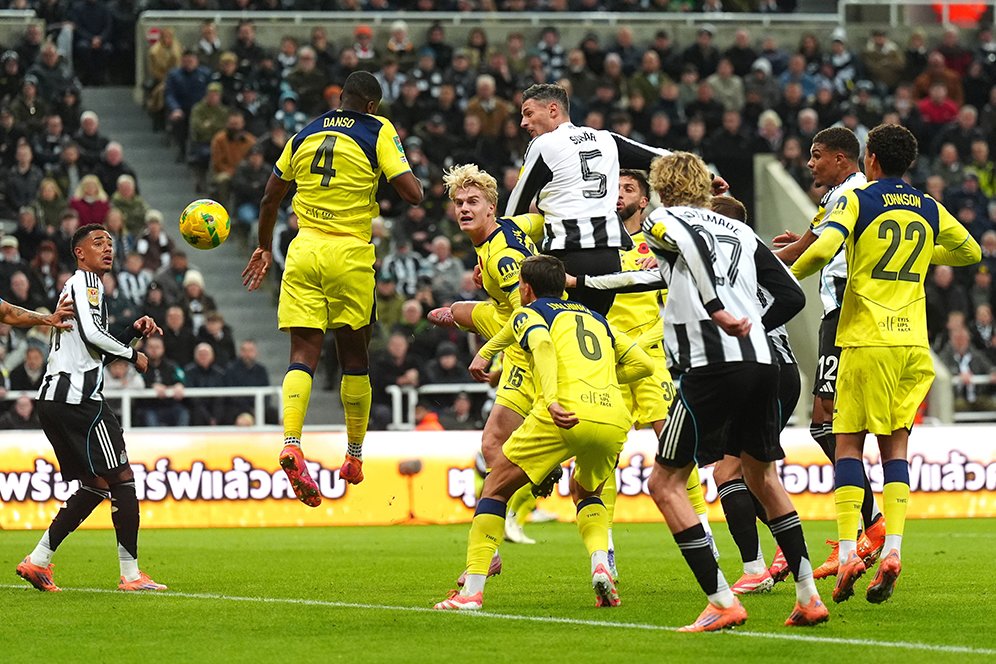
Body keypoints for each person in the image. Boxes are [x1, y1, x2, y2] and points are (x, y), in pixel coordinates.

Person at [792, 124, 982, 604]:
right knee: (896, 449)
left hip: (866, 340)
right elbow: (970, 251)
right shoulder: (927, 205)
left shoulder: (860, 200)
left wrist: (779, 275)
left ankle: (852, 552)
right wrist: (920, 258)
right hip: (915, 348)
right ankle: (893, 548)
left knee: (848, 444)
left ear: (870, 159)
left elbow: (818, 252)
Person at [641, 152, 826, 631]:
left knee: (664, 483)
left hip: (711, 365)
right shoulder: (741, 230)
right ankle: (808, 596)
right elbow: (791, 296)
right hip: (764, 363)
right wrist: (750, 327)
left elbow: (692, 250)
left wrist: (719, 311)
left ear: (661, 186)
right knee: (763, 478)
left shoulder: (663, 219)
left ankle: (722, 600)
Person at [241, 71, 423, 507]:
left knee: (302, 355)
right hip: (349, 254)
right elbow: (413, 194)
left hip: (303, 251)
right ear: (373, 105)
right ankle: (354, 456)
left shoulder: (304, 132)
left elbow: (269, 200)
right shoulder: (377, 130)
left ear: (340, 98)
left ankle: (290, 442)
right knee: (354, 356)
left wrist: (265, 248)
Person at [433, 254, 654, 611]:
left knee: (496, 486)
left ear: (526, 287)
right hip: (613, 415)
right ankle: (601, 563)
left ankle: (472, 590)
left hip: (563, 410)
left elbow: (542, 346)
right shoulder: (597, 319)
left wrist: (551, 399)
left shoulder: (531, 313)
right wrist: (607, 381)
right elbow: (643, 364)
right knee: (586, 490)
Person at [564, 169, 717, 580]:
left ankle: (704, 537)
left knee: (675, 447)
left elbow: (674, 300)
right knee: (599, 455)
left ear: (644, 200)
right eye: (614, 188)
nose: (618, 194)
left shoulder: (658, 242)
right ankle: (605, 554)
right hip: (605, 362)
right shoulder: (595, 246)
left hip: (649, 360)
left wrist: (655, 344)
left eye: (628, 189)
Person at [15, 224, 166, 593]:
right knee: (123, 477)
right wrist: (134, 356)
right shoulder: (85, 283)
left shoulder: (86, 290)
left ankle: (37, 562)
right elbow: (92, 336)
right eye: (98, 243)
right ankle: (131, 576)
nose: (108, 248)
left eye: (111, 243)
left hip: (55, 401)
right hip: (78, 401)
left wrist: (131, 329)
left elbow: (91, 347)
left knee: (96, 485)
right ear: (79, 253)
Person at [504, 83, 727, 316]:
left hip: (567, 258)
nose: (523, 123)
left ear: (552, 110)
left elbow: (516, 206)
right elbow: (661, 157)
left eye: (528, 113)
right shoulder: (605, 139)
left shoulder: (542, 144)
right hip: (609, 260)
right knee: (596, 334)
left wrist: (496, 251)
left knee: (561, 338)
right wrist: (707, 177)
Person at [772, 127, 886, 578]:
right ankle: (866, 527)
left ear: (843, 158)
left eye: (817, 156)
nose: (810, 163)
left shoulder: (850, 194)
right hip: (836, 317)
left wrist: (748, 257)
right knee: (828, 424)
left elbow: (806, 250)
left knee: (827, 422)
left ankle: (868, 527)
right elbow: (803, 240)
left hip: (843, 317)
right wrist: (780, 248)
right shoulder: (839, 194)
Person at [426, 163, 546, 550]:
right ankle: (531, 478)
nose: (464, 208)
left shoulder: (502, 257)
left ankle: (533, 479)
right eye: (459, 202)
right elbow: (543, 220)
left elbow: (524, 316)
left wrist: (486, 354)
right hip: (510, 316)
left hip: (527, 340)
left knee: (494, 446)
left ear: (491, 207)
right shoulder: (512, 227)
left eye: (473, 201)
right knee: (454, 310)